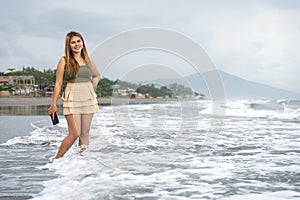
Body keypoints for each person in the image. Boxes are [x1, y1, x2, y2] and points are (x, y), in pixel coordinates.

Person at [48, 31, 101, 161]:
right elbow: (59, 83)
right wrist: (53, 104)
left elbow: (97, 75)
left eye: (79, 41)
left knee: (84, 134)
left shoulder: (88, 59)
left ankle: (82, 162)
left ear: (82, 42)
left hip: (88, 97)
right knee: (74, 134)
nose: (77, 44)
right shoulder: (64, 60)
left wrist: (91, 86)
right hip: (72, 97)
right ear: (68, 45)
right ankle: (56, 160)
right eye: (73, 42)